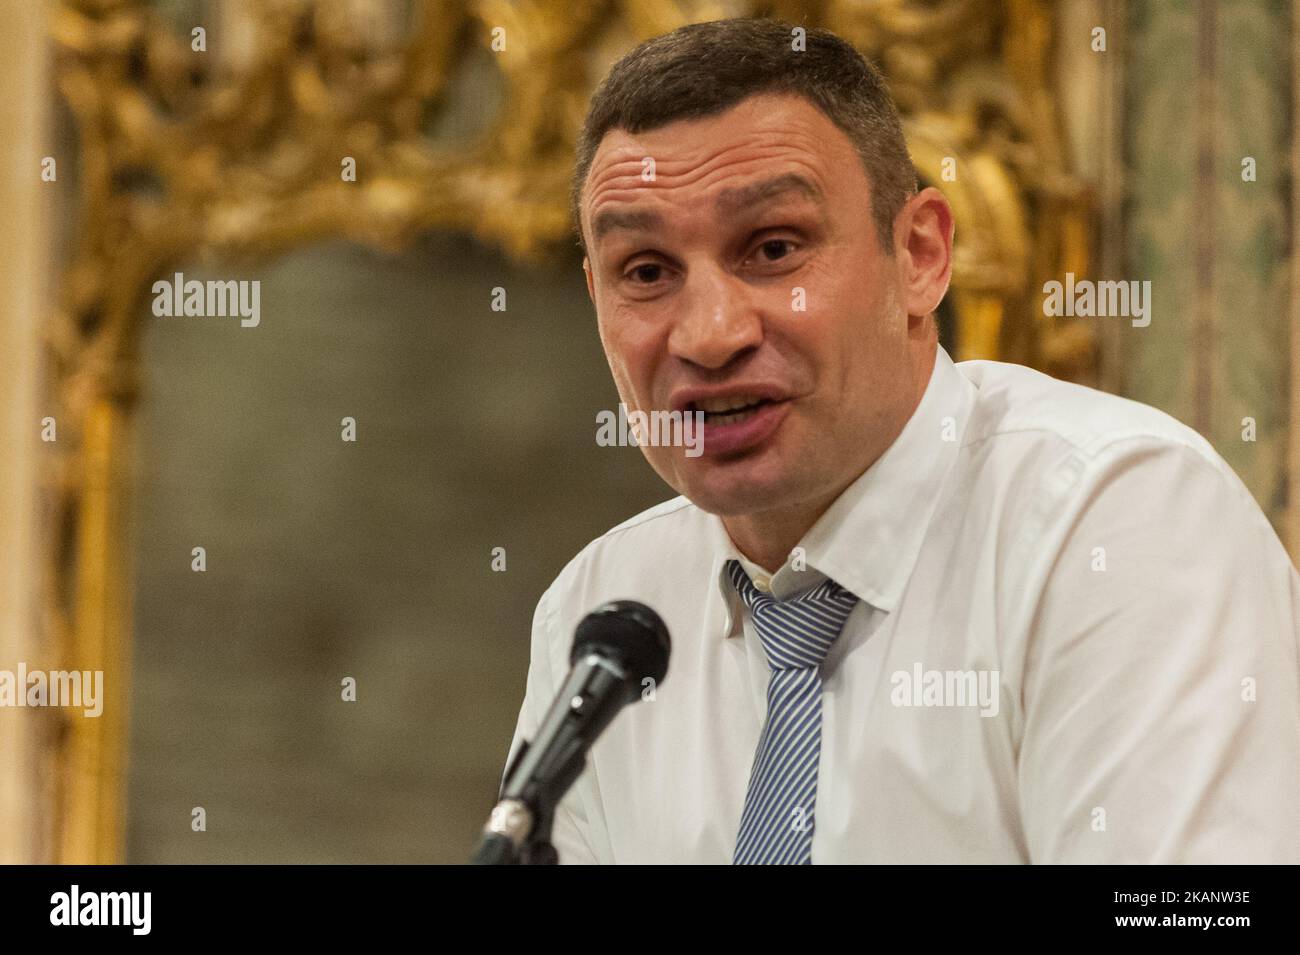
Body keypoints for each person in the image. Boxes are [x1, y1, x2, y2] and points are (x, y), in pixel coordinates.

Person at [503, 17, 1300, 863]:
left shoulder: (1118, 523)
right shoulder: (605, 614)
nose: (709, 335)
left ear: (919, 254)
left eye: (773, 248)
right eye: (647, 272)